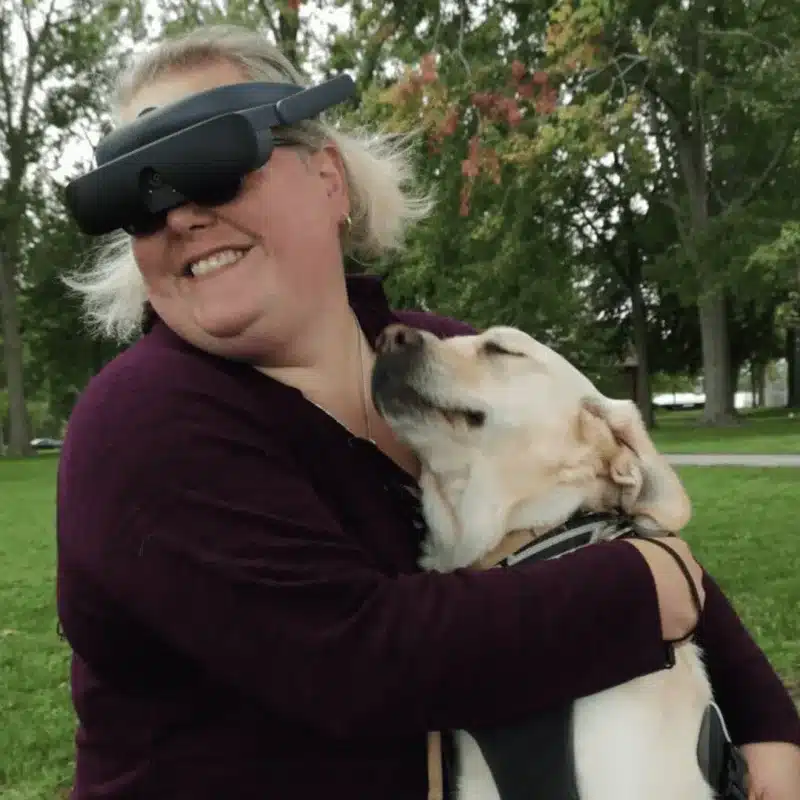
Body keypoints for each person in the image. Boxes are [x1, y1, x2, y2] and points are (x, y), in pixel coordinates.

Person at [56, 23, 799, 800]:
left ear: (328, 178)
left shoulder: (442, 360)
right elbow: (355, 659)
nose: (178, 216)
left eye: (211, 165)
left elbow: (618, 531)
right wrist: (648, 588)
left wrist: (770, 726)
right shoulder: (141, 426)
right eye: (137, 201)